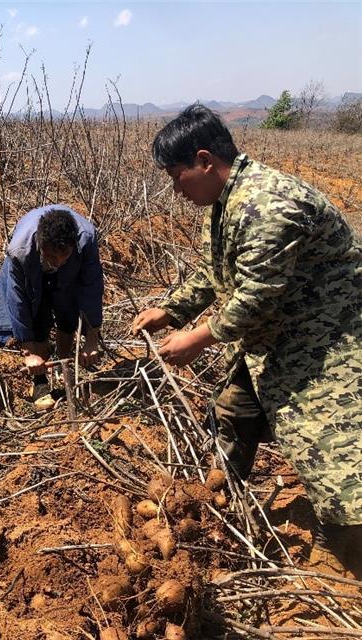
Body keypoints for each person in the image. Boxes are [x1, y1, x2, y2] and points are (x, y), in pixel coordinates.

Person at [132, 104, 361, 575]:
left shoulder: (268, 204)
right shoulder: (224, 202)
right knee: (236, 408)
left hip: (328, 339)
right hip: (276, 332)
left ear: (204, 160)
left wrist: (198, 337)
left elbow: (257, 296)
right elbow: (215, 272)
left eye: (177, 177)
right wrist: (173, 309)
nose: (176, 190)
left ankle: (340, 545)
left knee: (329, 445)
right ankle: (220, 497)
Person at [0, 205, 103, 410]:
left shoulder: (86, 240)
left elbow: (92, 288)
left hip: (75, 260)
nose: (59, 262)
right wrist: (28, 352)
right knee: (37, 309)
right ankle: (40, 381)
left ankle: (65, 367)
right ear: (41, 245)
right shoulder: (20, 250)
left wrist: (92, 340)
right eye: (53, 257)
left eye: (65, 255)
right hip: (32, 263)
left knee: (68, 308)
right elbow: (18, 301)